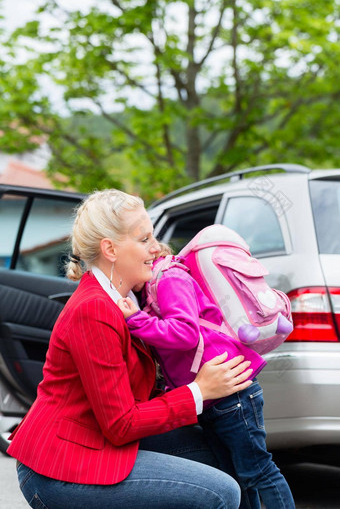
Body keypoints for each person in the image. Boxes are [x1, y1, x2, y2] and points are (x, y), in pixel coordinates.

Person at [7, 189, 255, 509]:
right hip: (60, 469)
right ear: (109, 249)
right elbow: (121, 424)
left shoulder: (128, 301)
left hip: (98, 441)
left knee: (223, 450)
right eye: (144, 240)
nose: (156, 248)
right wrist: (199, 391)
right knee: (221, 493)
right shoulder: (94, 309)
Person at [118, 244, 295, 509]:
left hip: (231, 391)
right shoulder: (148, 293)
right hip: (211, 396)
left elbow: (185, 333)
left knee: (257, 471)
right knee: (234, 477)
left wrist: (136, 321)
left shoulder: (169, 278)